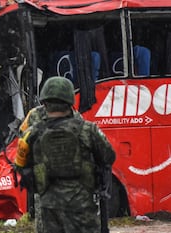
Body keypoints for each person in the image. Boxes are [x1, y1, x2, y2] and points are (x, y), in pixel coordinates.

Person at [15, 76, 116, 233]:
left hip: (49, 206)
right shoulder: (87, 129)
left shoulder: (32, 132)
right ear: (70, 101)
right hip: (81, 203)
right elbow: (108, 156)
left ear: (45, 101)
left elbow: (20, 164)